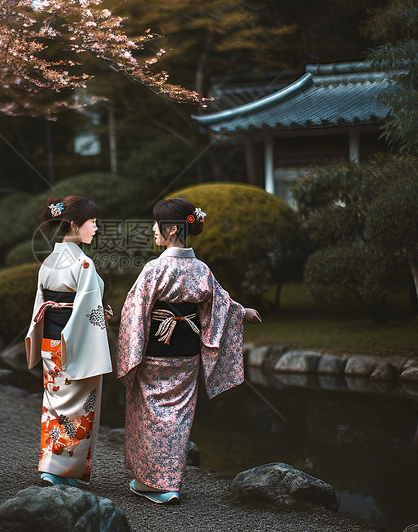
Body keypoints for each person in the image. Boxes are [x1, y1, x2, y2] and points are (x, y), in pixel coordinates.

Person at [115, 197, 262, 504]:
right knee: (178, 417)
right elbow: (220, 303)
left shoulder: (155, 268)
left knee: (149, 413)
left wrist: (130, 352)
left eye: (156, 224)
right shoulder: (200, 269)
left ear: (170, 230)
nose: (153, 229)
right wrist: (241, 311)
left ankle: (155, 481)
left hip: (155, 351)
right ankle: (169, 482)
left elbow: (134, 310)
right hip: (187, 354)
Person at [24, 195, 113, 487]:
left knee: (54, 405)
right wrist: (104, 315)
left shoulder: (49, 260)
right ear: (75, 224)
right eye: (92, 223)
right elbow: (89, 310)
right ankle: (63, 472)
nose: (96, 229)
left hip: (51, 342)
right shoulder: (83, 263)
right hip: (74, 345)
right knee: (79, 409)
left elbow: (43, 303)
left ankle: (52, 464)